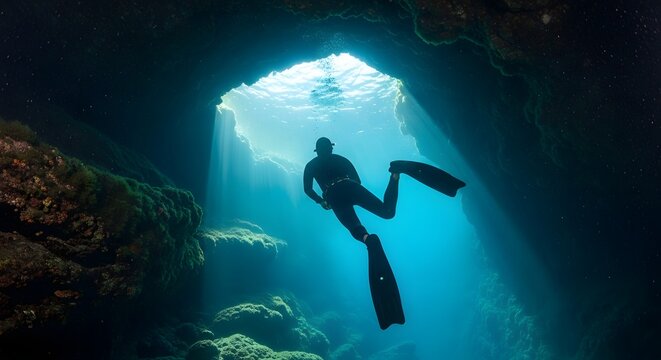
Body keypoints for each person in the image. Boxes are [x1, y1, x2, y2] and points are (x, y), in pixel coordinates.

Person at [303, 137, 400, 243]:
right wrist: (354, 194)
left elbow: (308, 189)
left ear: (317, 151)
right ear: (331, 148)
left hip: (333, 195)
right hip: (351, 186)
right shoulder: (341, 159)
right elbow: (357, 180)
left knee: (354, 227)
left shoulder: (310, 166)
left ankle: (367, 238)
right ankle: (395, 175)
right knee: (387, 212)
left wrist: (321, 201)